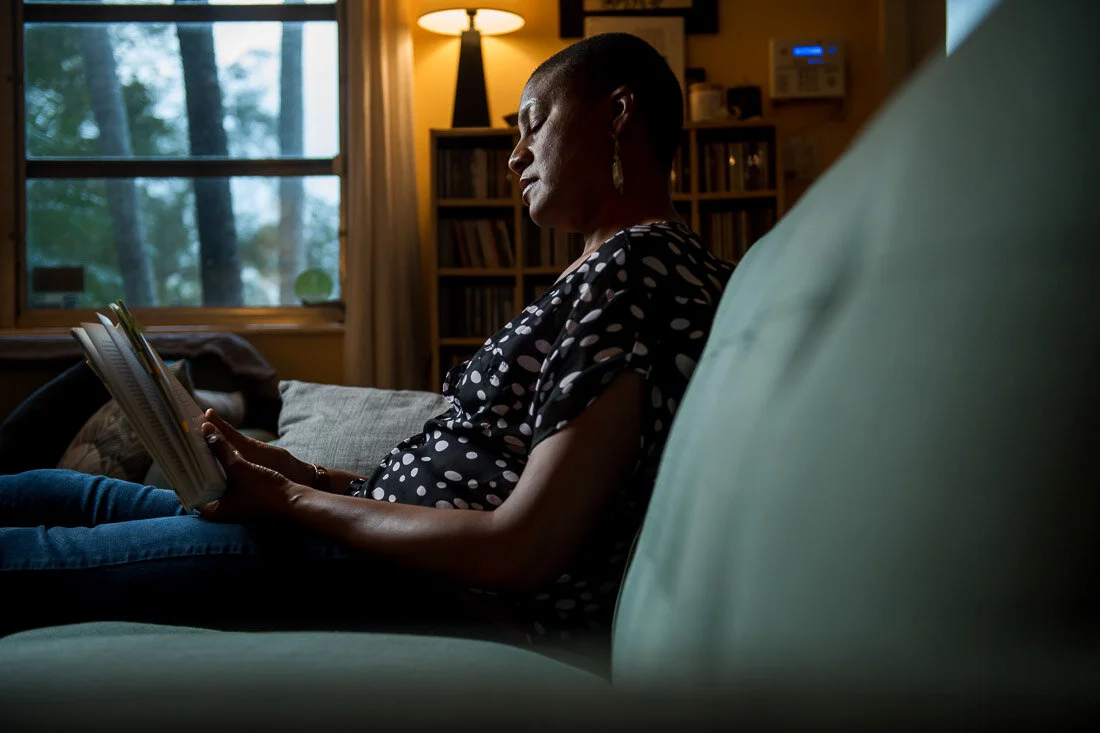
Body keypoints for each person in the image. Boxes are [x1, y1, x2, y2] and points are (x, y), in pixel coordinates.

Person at [0, 33, 735, 658]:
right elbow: (482, 477)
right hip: (388, 548)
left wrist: (290, 500)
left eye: (533, 124)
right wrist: (303, 473)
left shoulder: (639, 272)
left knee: (39, 557)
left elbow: (523, 547)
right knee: (56, 491)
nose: (515, 156)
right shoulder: (618, 269)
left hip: (444, 591)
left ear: (617, 113)